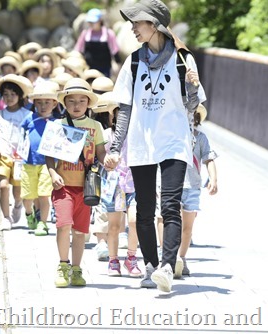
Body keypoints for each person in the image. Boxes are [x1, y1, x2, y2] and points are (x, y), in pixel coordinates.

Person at [104, 0, 206, 293]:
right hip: (140, 142)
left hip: (173, 141)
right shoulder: (133, 62)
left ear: (155, 24)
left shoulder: (183, 59)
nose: (133, 29)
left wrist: (191, 86)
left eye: (138, 23)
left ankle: (166, 267)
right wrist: (114, 149)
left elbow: (191, 106)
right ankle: (151, 265)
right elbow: (123, 109)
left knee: (170, 206)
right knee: (144, 209)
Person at [45, 78, 107, 288]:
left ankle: (77, 269)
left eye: (82, 101)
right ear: (64, 103)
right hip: (62, 186)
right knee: (64, 225)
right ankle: (63, 265)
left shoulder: (95, 126)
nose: (77, 105)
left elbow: (100, 153)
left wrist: (108, 160)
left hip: (86, 187)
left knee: (80, 231)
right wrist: (53, 174)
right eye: (71, 101)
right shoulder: (56, 125)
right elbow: (49, 156)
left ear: (88, 103)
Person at [92, 92, 142, 277]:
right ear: (112, 115)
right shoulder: (107, 135)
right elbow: (100, 156)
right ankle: (113, 261)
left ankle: (131, 258)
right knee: (113, 226)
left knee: (134, 221)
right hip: (114, 186)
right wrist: (108, 161)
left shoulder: (139, 136)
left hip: (135, 185)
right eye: (119, 113)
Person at [174, 104, 218, 277]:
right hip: (173, 187)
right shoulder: (172, 137)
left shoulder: (200, 138)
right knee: (172, 223)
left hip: (192, 188)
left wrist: (213, 179)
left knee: (187, 228)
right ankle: (169, 257)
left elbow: (209, 159)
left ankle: (182, 258)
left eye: (192, 115)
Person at [0, 74, 34, 231]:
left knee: (17, 189)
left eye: (13, 94)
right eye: (6, 94)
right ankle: (6, 217)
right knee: (3, 186)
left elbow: (29, 134)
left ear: (20, 96)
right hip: (3, 154)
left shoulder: (26, 114)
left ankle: (18, 204)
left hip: (19, 157)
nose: (9, 98)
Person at [19, 82, 60, 236]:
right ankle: (29, 213)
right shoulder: (29, 118)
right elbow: (21, 134)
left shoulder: (57, 122)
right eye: (39, 102)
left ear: (55, 103)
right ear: (34, 103)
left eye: (47, 102)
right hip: (29, 162)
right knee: (28, 197)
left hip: (47, 164)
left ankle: (43, 223)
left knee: (44, 195)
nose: (43, 106)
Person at [74, 8, 122, 78]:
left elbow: (115, 52)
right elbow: (78, 51)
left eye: (93, 22)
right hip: (88, 70)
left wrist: (118, 67)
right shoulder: (85, 34)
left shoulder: (108, 34)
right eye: (90, 22)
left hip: (105, 71)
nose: (91, 24)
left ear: (100, 21)